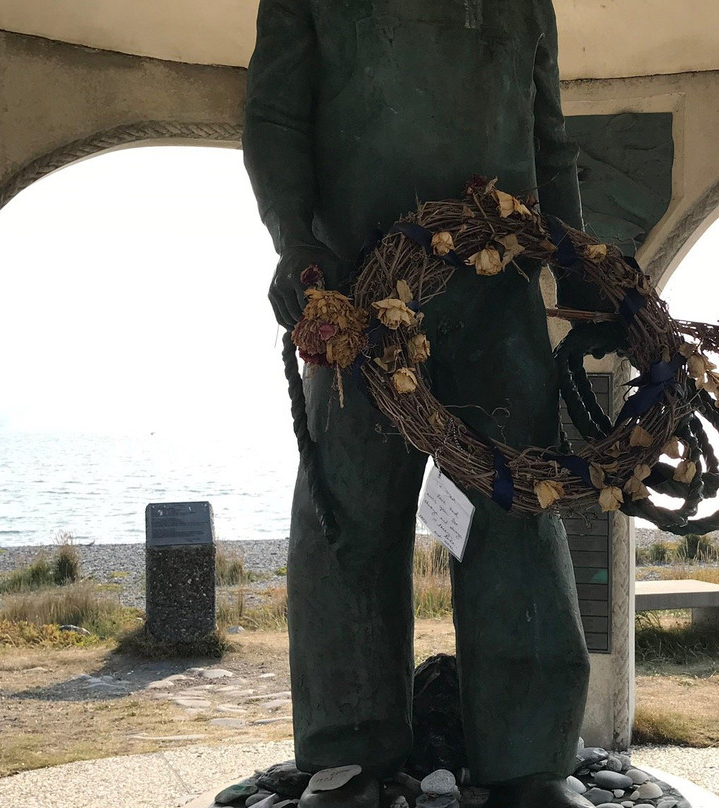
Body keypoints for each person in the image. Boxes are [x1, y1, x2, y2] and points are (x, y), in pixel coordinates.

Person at [243, 2, 597, 806]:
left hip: (498, 297)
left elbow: (549, 140)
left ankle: (530, 755)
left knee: (518, 508)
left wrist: (577, 257)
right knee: (347, 512)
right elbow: (273, 116)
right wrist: (294, 239)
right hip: (355, 288)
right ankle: (347, 751)